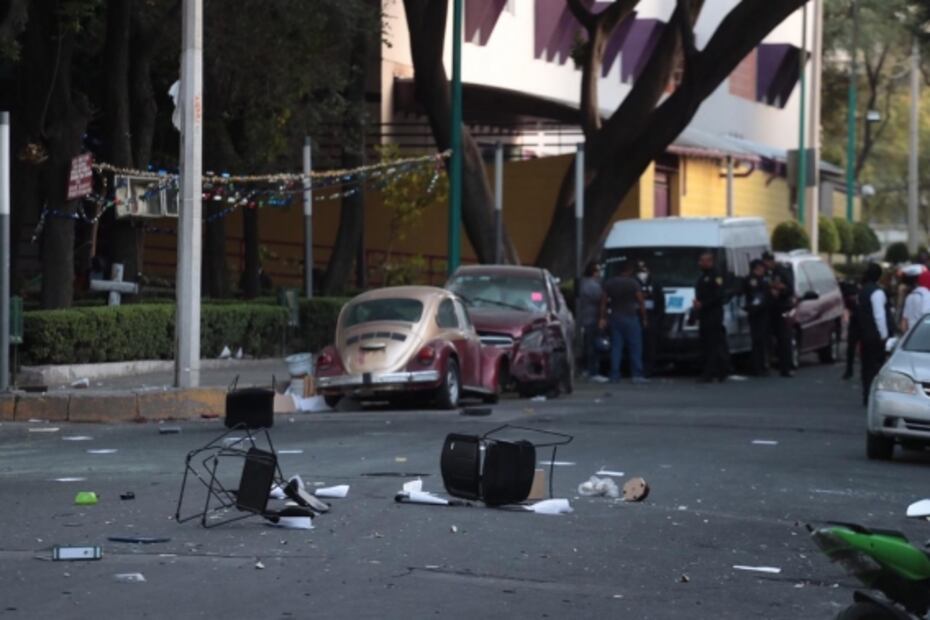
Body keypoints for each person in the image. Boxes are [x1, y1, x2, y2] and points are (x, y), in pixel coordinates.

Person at [599, 260, 648, 384]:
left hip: (615, 316)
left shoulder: (610, 283)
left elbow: (603, 302)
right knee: (635, 346)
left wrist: (603, 317)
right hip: (631, 316)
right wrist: (644, 318)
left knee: (616, 347)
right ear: (629, 271)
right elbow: (641, 301)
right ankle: (637, 374)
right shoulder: (633, 283)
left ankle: (615, 374)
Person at [693, 251, 729, 383]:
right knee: (706, 343)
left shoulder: (716, 276)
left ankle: (711, 373)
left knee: (712, 344)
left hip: (713, 314)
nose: (700, 263)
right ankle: (718, 371)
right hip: (704, 314)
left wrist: (703, 304)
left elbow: (718, 296)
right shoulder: (703, 276)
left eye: (702, 261)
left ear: (710, 261)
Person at [858, 263, 891, 405]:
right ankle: (874, 395)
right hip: (875, 336)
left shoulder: (863, 291)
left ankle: (866, 394)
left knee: (866, 366)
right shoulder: (877, 292)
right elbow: (879, 316)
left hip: (864, 333)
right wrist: (884, 335)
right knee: (876, 366)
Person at [763, 251, 795, 377]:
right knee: (768, 338)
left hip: (782, 308)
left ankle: (786, 367)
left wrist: (781, 290)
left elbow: (790, 289)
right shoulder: (767, 272)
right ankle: (770, 364)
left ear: (771, 261)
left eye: (767, 262)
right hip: (770, 309)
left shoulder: (782, 271)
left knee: (784, 339)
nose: (766, 265)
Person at [578, 262, 607, 381]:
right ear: (594, 272)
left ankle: (588, 370)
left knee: (588, 344)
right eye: (598, 271)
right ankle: (593, 372)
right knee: (593, 345)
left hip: (585, 317)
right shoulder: (592, 285)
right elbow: (601, 299)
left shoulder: (583, 283)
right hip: (592, 318)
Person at [743, 259, 771, 376]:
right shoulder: (752, 279)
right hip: (757, 313)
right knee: (758, 341)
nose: (763, 269)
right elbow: (755, 296)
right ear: (757, 268)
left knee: (760, 341)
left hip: (761, 313)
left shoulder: (763, 279)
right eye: (762, 267)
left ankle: (760, 365)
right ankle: (758, 366)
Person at [636, 261, 665, 377]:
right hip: (637, 316)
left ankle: (649, 368)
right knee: (638, 344)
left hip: (652, 316)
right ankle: (639, 367)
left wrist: (658, 318)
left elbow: (660, 301)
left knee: (650, 344)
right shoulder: (634, 282)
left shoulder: (655, 282)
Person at [840, 278, 861, 380]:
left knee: (851, 347)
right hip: (857, 321)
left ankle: (849, 370)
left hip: (855, 322)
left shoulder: (847, 296)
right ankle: (850, 370)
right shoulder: (856, 295)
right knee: (852, 347)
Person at [899, 264, 930, 334]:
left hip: (911, 334)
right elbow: (927, 317)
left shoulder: (910, 296)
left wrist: (907, 337)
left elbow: (904, 321)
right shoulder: (927, 295)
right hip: (924, 334)